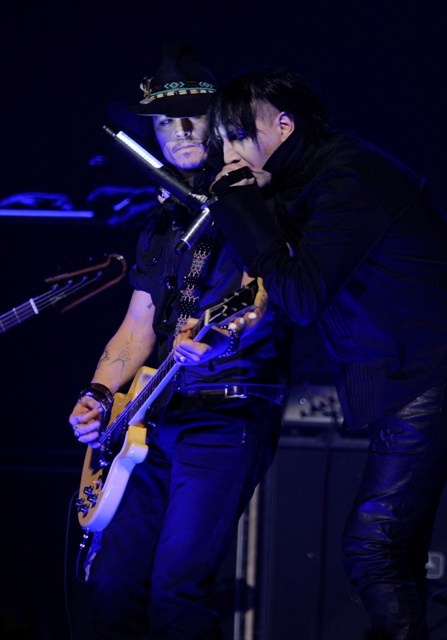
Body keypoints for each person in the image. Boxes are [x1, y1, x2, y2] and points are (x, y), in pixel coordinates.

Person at [206, 66, 447, 640]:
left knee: (373, 546)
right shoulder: (307, 183)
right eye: (223, 140)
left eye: (239, 135)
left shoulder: (346, 179)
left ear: (284, 126)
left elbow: (302, 297)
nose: (230, 154)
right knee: (398, 553)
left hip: (429, 370)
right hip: (409, 374)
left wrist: (243, 208)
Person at [68, 44, 287, 640]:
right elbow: (136, 329)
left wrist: (225, 338)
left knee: (176, 592)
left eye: (194, 117)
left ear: (220, 123)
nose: (181, 131)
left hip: (226, 412)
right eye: (167, 122)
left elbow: (263, 297)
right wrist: (99, 394)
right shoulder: (161, 222)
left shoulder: (258, 202)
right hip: (149, 418)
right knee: (112, 586)